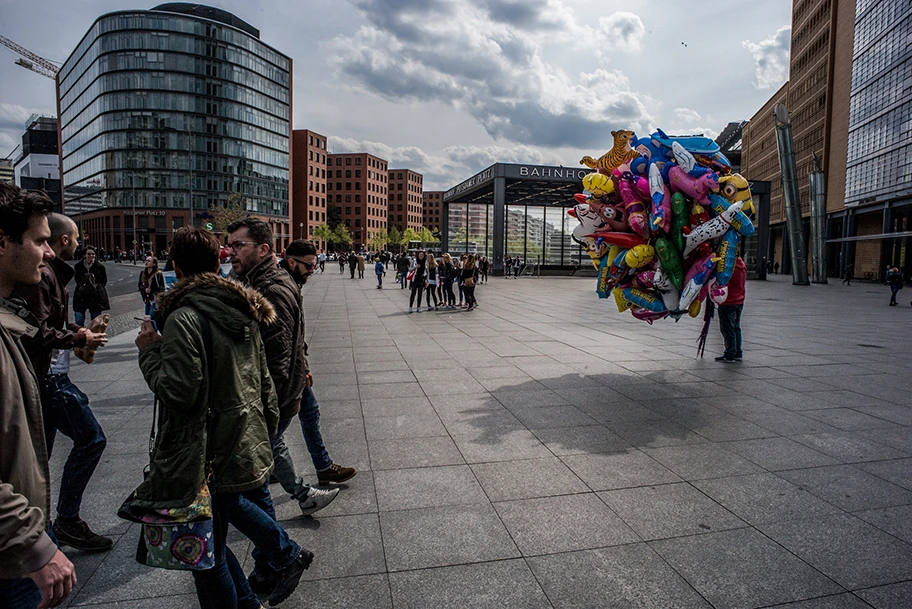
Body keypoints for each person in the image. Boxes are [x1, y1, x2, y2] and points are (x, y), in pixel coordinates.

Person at [133, 226, 309, 609]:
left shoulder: (183, 317)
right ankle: (274, 563)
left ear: (175, 268)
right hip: (239, 433)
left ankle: (283, 553)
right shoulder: (242, 304)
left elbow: (180, 391)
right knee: (212, 532)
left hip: (204, 444)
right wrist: (264, 424)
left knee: (205, 548)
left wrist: (149, 352)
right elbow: (263, 376)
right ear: (218, 261)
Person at [14, 213, 112, 555]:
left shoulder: (48, 274)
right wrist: (77, 336)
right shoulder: (40, 276)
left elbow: (45, 320)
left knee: (41, 458)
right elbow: (36, 330)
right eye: (41, 242)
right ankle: (64, 521)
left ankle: (43, 526)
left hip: (49, 377)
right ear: (65, 240)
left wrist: (77, 331)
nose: (50, 252)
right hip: (50, 379)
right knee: (91, 438)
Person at [0, 185, 78, 609]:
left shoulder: (7, 318)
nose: (49, 253)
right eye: (40, 240)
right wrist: (34, 544)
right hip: (10, 555)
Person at [716, 256, 746, 363]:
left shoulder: (730, 268)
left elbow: (723, 282)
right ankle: (738, 352)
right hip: (739, 301)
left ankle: (730, 353)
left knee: (728, 328)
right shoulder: (741, 265)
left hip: (729, 301)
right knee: (736, 327)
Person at [72, 247, 109, 327]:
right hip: (81, 295)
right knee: (79, 319)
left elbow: (104, 281)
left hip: (95, 296)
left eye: (93, 254)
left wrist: (95, 287)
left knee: (96, 321)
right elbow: (77, 280)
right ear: (85, 255)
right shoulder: (78, 266)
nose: (91, 256)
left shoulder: (100, 267)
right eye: (89, 254)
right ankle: (81, 336)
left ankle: (94, 336)